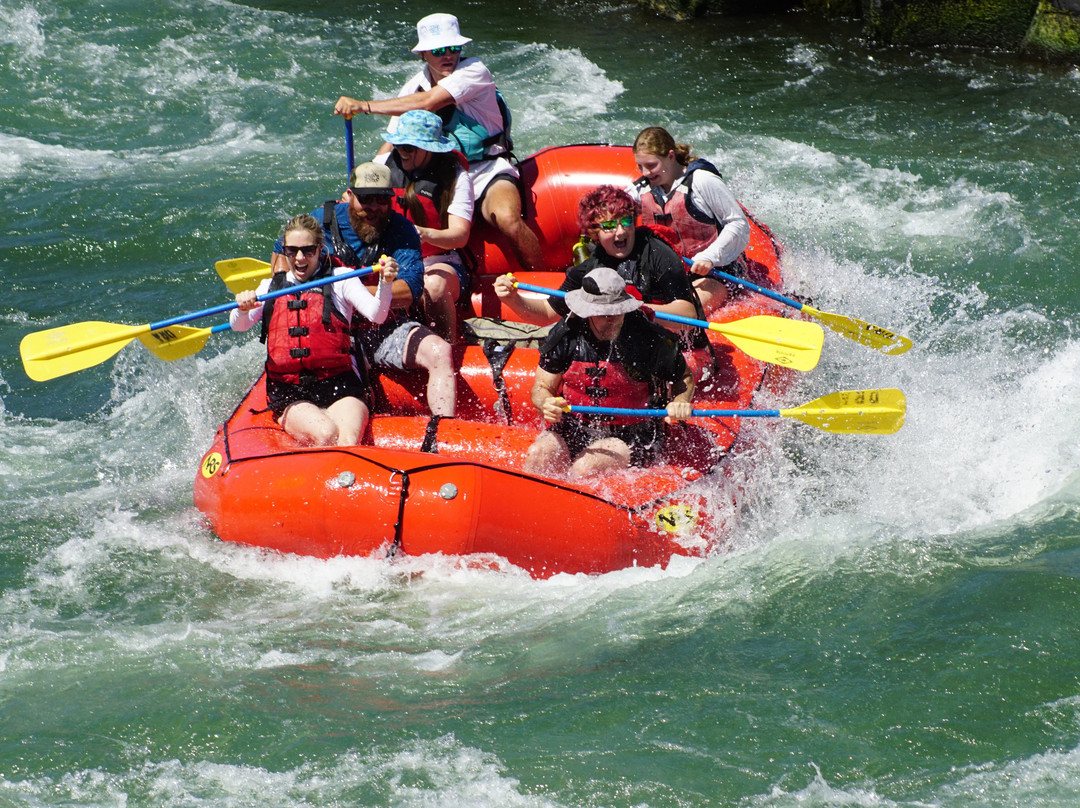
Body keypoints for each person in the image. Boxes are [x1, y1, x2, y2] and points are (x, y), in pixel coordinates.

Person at [333, 12, 545, 275]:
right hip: (444, 175)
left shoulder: (474, 71)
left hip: (486, 169)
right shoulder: (413, 87)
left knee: (507, 218)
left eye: (454, 48)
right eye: (438, 50)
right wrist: (362, 185)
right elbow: (392, 143)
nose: (448, 55)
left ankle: (542, 279)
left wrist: (364, 106)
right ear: (423, 55)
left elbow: (430, 102)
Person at [274, 162, 456, 417]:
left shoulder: (401, 230)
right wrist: (291, 285)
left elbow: (411, 289)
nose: (373, 207)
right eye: (365, 199)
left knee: (440, 350)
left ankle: (443, 430)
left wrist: (349, 293)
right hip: (329, 329)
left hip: (383, 327)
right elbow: (282, 251)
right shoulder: (321, 221)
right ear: (349, 196)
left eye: (381, 199)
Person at [230, 214, 397, 447]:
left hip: (339, 383)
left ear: (320, 249)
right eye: (292, 251)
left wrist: (385, 283)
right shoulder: (270, 287)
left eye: (308, 250)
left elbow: (376, 314)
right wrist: (242, 306)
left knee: (348, 440)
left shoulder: (342, 279)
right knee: (326, 434)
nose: (299, 258)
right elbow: (239, 325)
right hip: (291, 392)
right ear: (285, 251)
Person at [525, 267, 695, 480]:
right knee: (538, 454)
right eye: (605, 314)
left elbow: (684, 378)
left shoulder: (649, 338)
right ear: (588, 312)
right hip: (575, 425)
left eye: (618, 311)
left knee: (585, 468)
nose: (613, 319)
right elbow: (541, 387)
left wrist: (681, 400)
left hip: (633, 433)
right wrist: (545, 403)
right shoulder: (566, 334)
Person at [493, 185, 702, 346]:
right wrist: (513, 300)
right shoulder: (591, 266)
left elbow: (689, 315)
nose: (620, 232)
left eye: (626, 221)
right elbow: (550, 312)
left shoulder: (657, 253)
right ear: (594, 232)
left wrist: (632, 309)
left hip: (667, 343)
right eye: (610, 225)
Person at [626, 126, 751, 312]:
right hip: (669, 273)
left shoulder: (702, 181)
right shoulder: (639, 190)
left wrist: (710, 256)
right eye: (640, 166)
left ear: (670, 156)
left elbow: (738, 223)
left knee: (689, 311)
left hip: (714, 272)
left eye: (651, 165)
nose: (645, 172)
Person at [376, 109, 474, 343]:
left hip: (440, 262)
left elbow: (459, 235)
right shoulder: (381, 166)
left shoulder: (457, 178)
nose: (402, 153)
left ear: (429, 149)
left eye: (409, 148)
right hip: (389, 259)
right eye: (398, 146)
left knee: (433, 286)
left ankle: (446, 348)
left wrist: (426, 234)